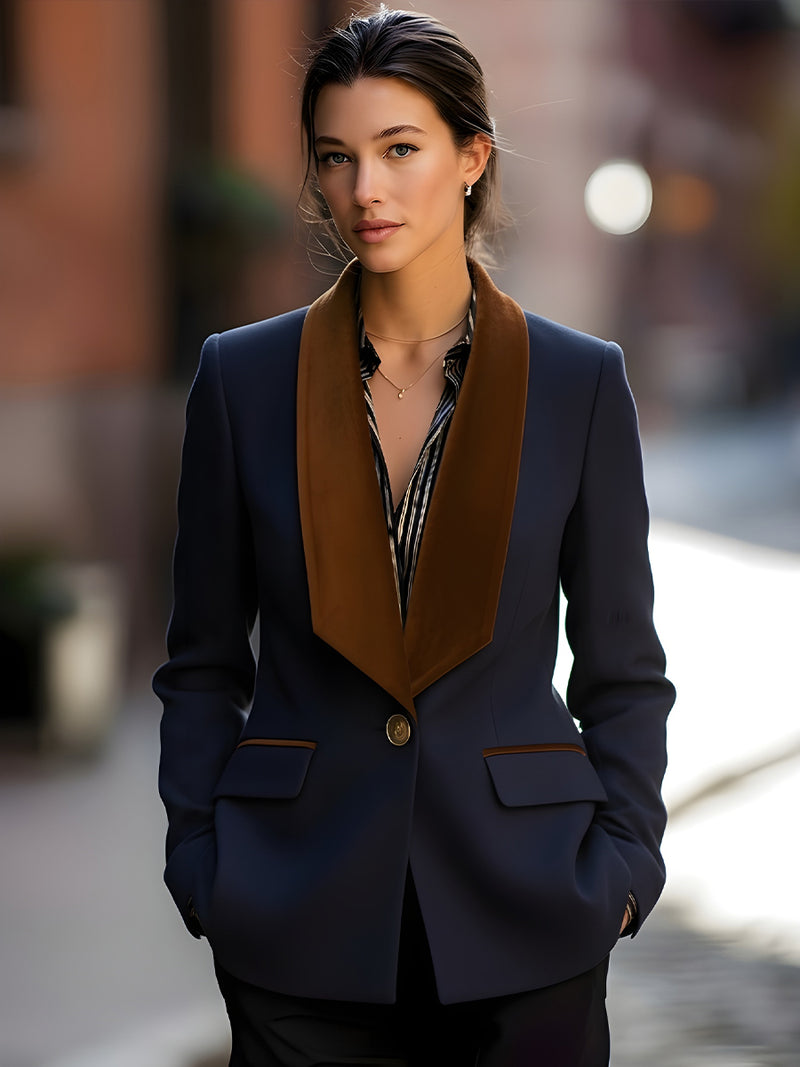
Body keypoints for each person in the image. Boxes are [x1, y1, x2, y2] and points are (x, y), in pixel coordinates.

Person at [154, 7, 675, 1065]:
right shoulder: (241, 381)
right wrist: (203, 864)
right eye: (336, 157)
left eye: (399, 150)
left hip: (528, 909)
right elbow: (202, 663)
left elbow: (622, 667)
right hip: (295, 914)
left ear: (470, 156)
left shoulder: (578, 384)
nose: (365, 191)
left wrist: (620, 871)